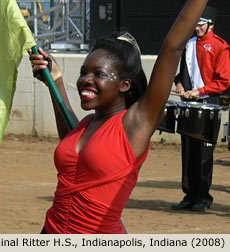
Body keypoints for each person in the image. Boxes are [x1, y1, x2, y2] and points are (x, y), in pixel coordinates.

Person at [29, 0, 209, 234]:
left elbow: (172, 47)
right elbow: (71, 153)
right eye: (84, 72)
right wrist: (56, 80)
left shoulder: (136, 123)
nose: (86, 79)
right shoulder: (85, 126)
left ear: (125, 84)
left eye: (99, 74)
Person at [172, 6, 230, 212]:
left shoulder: (220, 47)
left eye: (200, 24)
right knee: (188, 152)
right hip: (189, 104)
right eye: (195, 24)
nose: (196, 27)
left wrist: (200, 91)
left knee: (204, 154)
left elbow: (223, 81)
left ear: (211, 25)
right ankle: (189, 195)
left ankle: (203, 198)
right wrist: (179, 84)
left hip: (208, 105)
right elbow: (182, 75)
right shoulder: (188, 45)